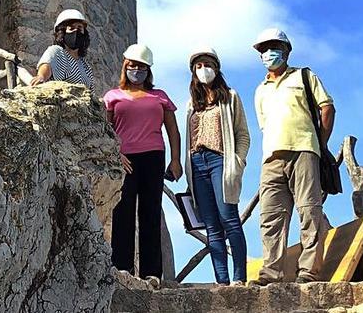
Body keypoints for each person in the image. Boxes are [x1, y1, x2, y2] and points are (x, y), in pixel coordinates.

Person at [252, 27, 335, 284]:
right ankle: (271, 273)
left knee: (309, 210)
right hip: (271, 157)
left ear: (287, 50)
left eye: (274, 47)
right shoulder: (260, 90)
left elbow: (327, 108)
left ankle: (308, 271)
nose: (269, 53)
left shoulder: (304, 76)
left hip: (304, 150)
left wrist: (319, 144)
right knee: (270, 217)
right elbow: (265, 125)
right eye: (264, 49)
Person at [104, 43, 182, 284]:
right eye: (133, 65)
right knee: (122, 213)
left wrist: (176, 160)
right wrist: (115, 153)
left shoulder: (160, 97)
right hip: (124, 159)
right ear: (125, 65)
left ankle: (152, 273)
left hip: (153, 157)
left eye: (141, 66)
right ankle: (122, 268)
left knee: (150, 214)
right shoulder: (112, 96)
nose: (136, 69)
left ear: (148, 70)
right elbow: (105, 130)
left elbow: (172, 129)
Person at [182, 47, 251, 285]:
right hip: (197, 163)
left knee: (229, 219)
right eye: (198, 67)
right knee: (211, 225)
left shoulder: (230, 96)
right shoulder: (191, 103)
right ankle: (221, 280)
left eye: (207, 65)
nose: (203, 70)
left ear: (216, 67)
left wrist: (238, 162)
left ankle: (239, 277)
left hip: (220, 160)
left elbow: (243, 134)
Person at [31, 8, 95, 88]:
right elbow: (47, 65)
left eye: (79, 28)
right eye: (71, 28)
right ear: (63, 32)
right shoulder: (57, 52)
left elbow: (90, 92)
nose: (76, 31)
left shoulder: (85, 66)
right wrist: (41, 77)